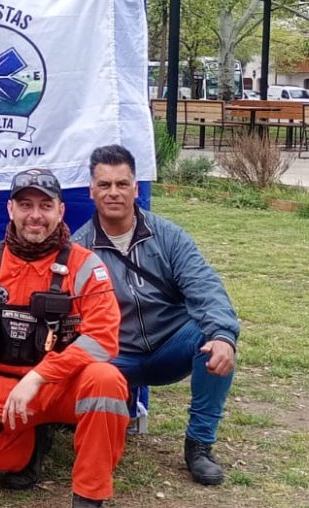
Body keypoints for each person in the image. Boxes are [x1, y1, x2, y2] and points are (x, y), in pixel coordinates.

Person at [0, 168, 128, 508]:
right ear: (10, 209)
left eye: (45, 206)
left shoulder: (87, 266)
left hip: (63, 384)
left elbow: (102, 339)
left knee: (107, 380)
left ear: (61, 211)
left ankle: (90, 493)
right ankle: (27, 451)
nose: (35, 216)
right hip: (2, 384)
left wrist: (41, 375)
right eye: (25, 205)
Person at [70, 144, 240, 486]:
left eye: (122, 184)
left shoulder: (170, 236)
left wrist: (223, 335)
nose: (114, 192)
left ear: (136, 187)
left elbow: (204, 285)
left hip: (170, 346)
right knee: (83, 365)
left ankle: (199, 445)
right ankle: (98, 436)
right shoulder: (79, 248)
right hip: (116, 356)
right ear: (91, 191)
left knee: (213, 340)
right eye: (105, 185)